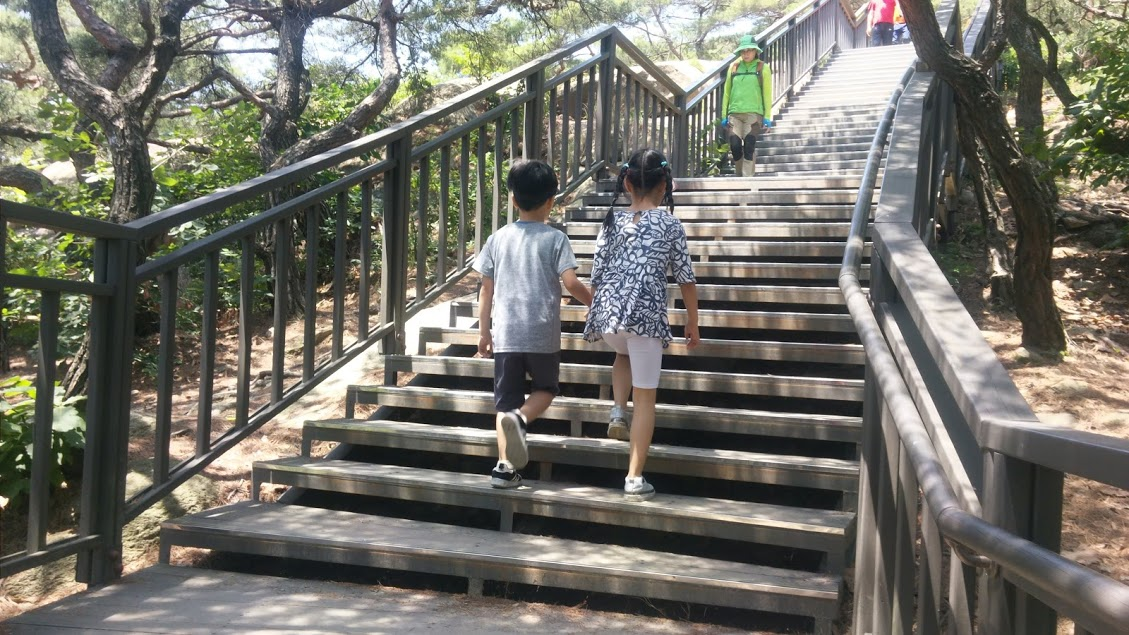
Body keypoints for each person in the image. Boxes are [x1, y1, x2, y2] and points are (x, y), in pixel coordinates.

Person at [583, 148, 700, 501]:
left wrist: (598, 309)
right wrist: (693, 321)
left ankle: (618, 410)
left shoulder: (611, 221)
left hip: (608, 317)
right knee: (646, 399)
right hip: (644, 317)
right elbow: (685, 278)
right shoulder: (670, 224)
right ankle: (634, 478)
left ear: (627, 184)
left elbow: (597, 273)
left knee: (623, 353)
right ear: (665, 185)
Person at [474, 160, 592, 489]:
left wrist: (483, 333)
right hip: (541, 333)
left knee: (505, 402)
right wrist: (594, 302)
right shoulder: (555, 239)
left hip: (506, 333)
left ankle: (503, 469)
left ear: (514, 200)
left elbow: (486, 290)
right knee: (545, 389)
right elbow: (571, 283)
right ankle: (522, 418)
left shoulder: (497, 239)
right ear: (551, 201)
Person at [721, 35, 773, 178]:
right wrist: (724, 115)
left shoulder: (763, 68)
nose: (746, 53)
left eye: (749, 50)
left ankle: (747, 179)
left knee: (749, 146)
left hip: (754, 115)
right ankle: (740, 178)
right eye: (743, 51)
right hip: (735, 114)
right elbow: (726, 92)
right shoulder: (734, 67)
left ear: (755, 51)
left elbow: (767, 94)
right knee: (735, 146)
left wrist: (767, 117)